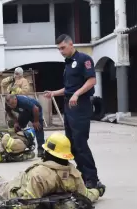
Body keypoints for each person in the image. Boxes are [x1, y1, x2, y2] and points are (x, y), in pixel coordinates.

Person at [0, 132, 106, 208]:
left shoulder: (40, 175)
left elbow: (28, 202)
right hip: (40, 191)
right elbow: (86, 195)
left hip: (19, 187)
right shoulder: (73, 173)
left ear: (48, 152)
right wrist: (97, 191)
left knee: (5, 186)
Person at [44, 34, 101, 189]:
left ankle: (92, 179)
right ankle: (82, 174)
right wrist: (54, 93)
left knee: (80, 143)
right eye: (58, 49)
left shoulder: (84, 59)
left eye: (63, 48)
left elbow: (91, 81)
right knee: (71, 144)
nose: (61, 51)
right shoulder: (68, 64)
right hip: (70, 107)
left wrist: (77, 94)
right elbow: (69, 89)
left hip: (81, 105)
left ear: (71, 44)